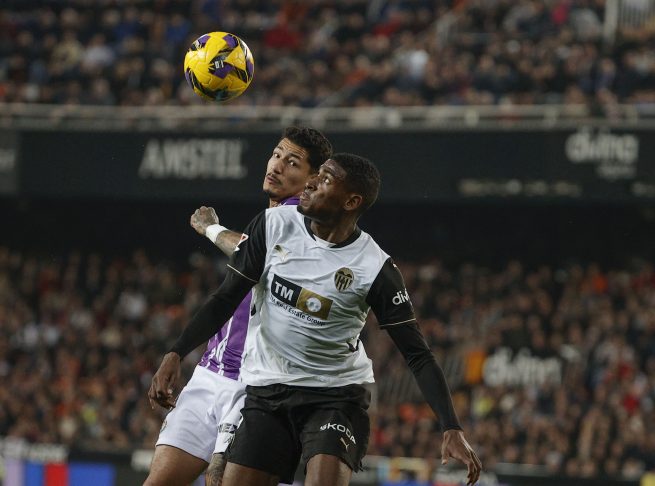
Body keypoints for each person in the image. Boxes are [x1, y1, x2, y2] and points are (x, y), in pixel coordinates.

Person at [151, 153, 482, 486]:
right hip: (268, 392)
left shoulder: (374, 267)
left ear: (351, 201)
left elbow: (417, 355)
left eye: (325, 180)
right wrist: (176, 352)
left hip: (334, 397)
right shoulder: (273, 225)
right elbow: (225, 298)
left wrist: (451, 427)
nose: (310, 183)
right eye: (317, 174)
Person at [145, 126, 333, 486]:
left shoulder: (306, 221)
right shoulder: (267, 220)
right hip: (211, 372)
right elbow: (229, 290)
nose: (277, 166)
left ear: (312, 179)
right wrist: (178, 352)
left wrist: (211, 229)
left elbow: (251, 250)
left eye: (292, 162)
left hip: (257, 384)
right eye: (276, 155)